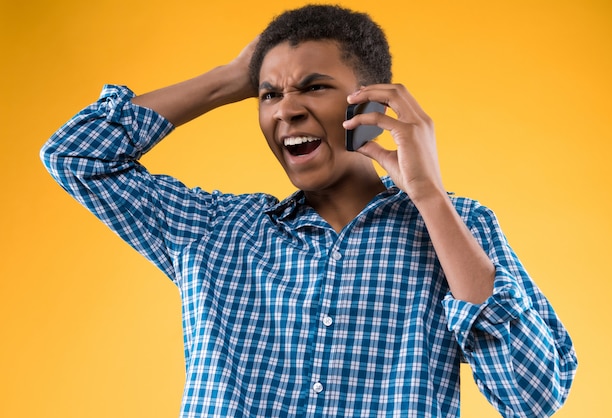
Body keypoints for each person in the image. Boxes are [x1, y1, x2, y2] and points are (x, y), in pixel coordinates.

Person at [41, 4, 577, 417]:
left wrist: (428, 194)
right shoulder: (214, 233)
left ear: (370, 104)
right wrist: (231, 78)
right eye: (269, 94)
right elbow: (76, 155)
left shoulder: (456, 230)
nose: (287, 109)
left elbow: (532, 396)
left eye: (314, 87)